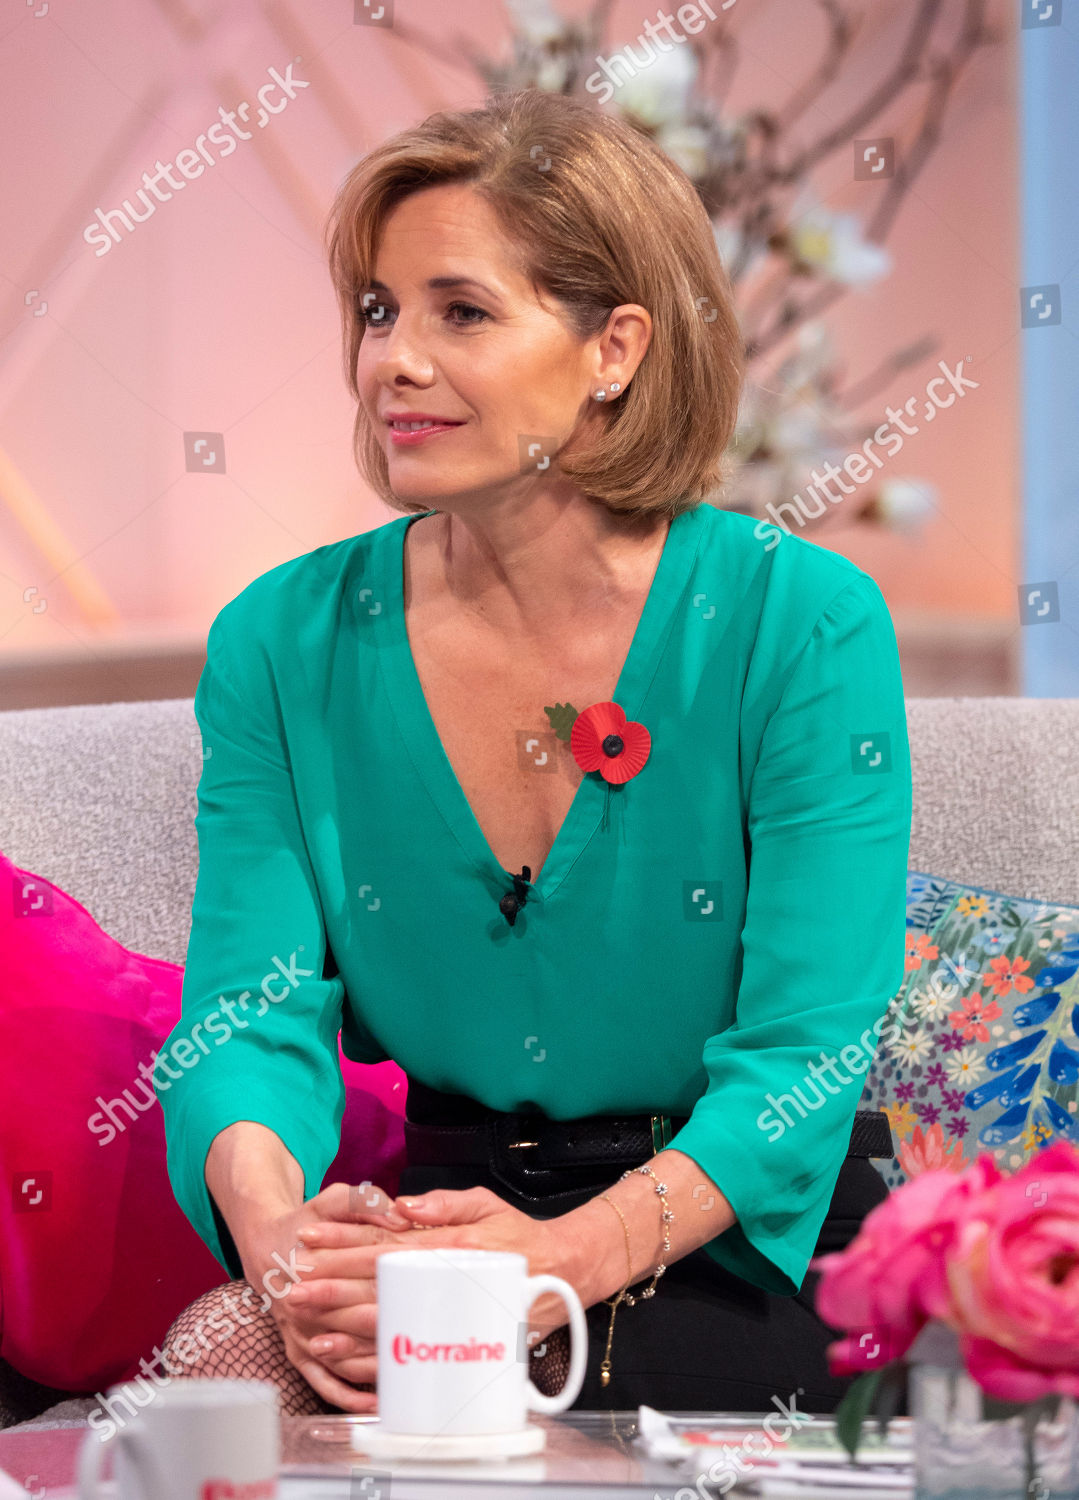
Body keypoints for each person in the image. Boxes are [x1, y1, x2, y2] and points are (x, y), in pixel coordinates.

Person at [156, 87, 912, 1419]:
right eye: (379, 312)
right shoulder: (278, 643)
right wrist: (285, 1247)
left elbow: (805, 1056)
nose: (392, 361)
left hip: (742, 1238)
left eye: (461, 312)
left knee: (494, 1386)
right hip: (453, 1231)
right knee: (232, 1357)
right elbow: (245, 1017)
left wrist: (558, 1263)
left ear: (614, 347)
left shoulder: (802, 623)